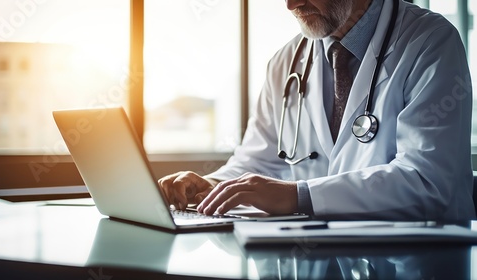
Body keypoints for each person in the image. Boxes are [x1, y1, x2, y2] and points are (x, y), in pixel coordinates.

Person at [158, 0, 476, 221]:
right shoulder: (286, 61)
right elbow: (257, 163)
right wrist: (211, 185)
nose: (291, 4)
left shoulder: (430, 41)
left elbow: (426, 181)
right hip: (321, 258)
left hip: (420, 262)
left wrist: (298, 196)